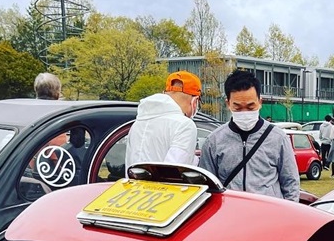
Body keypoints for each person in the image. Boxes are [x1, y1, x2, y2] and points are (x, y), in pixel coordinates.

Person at [199, 69, 299, 201]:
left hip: (270, 217)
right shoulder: (214, 141)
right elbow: (207, 187)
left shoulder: (278, 138)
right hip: (231, 215)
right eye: (238, 107)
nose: (245, 112)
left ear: (260, 102)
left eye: (251, 107)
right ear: (228, 103)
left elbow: (291, 184)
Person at [125, 70, 200, 171]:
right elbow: (175, 173)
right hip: (164, 187)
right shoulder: (185, 125)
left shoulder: (138, 123)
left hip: (134, 186)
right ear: (194, 101)